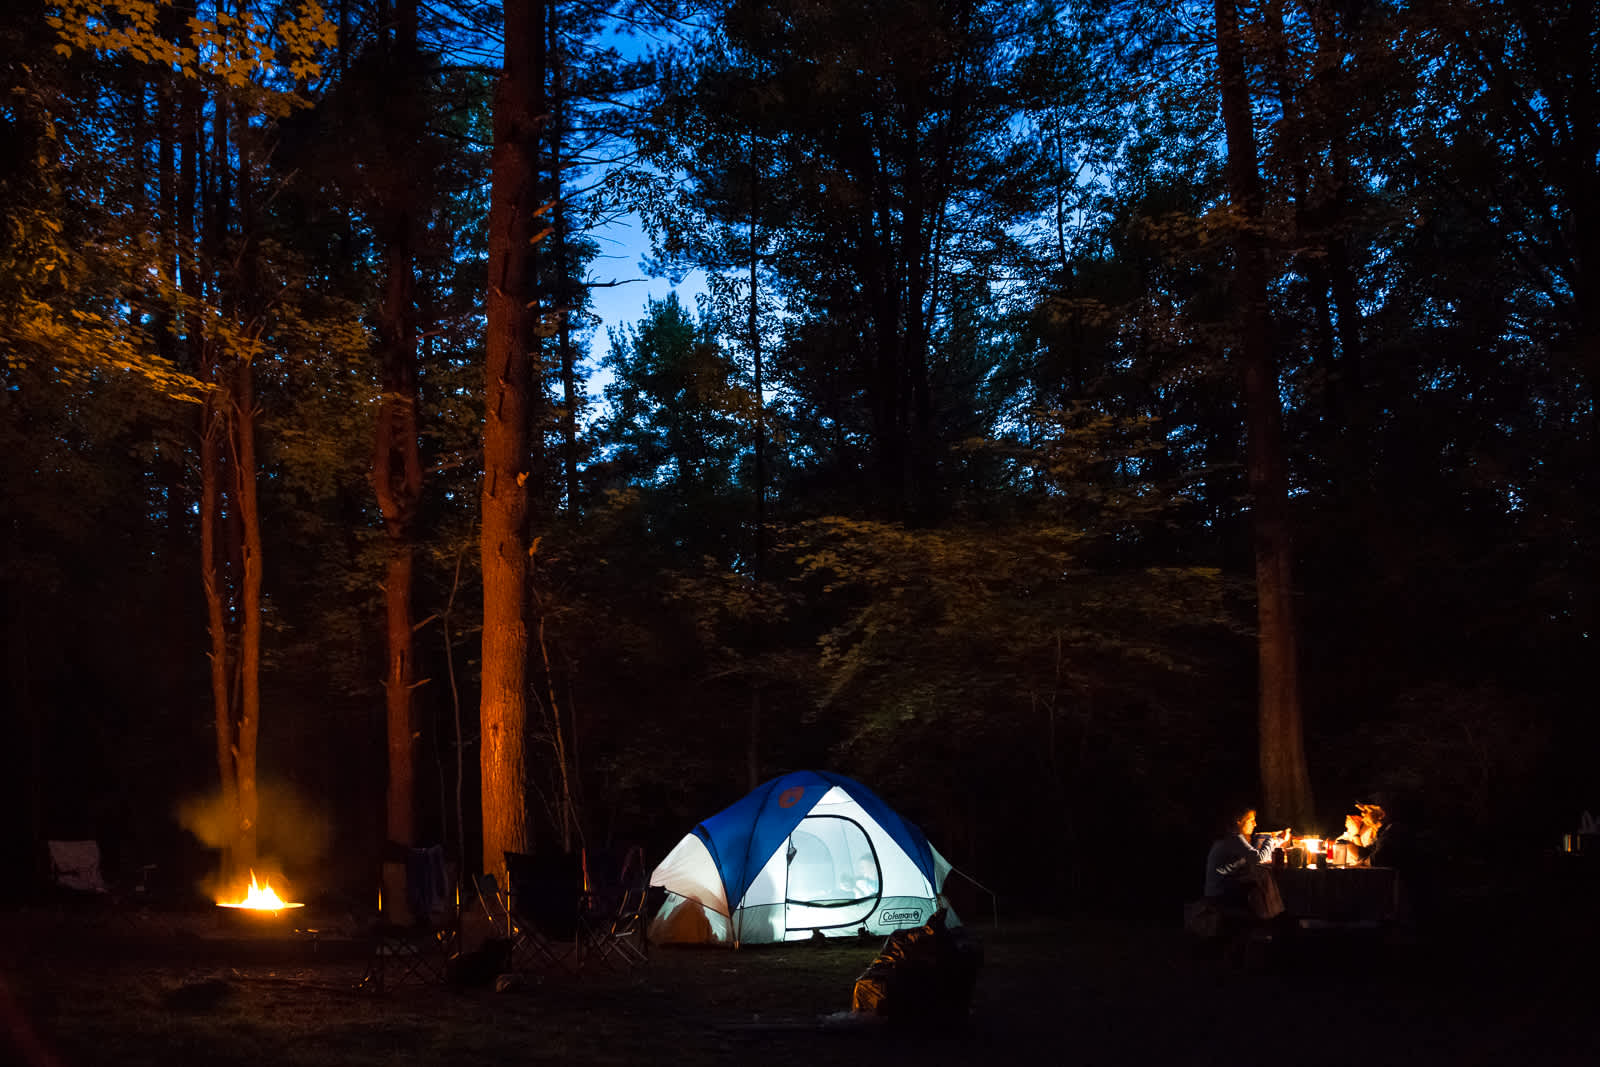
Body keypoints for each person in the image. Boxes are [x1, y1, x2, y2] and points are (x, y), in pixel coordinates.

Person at [1203, 806, 1287, 917]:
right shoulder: (1234, 839)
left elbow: (1252, 855)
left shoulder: (1231, 837)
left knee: (1261, 875)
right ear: (1239, 821)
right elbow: (1259, 857)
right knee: (1263, 877)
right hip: (1219, 893)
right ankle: (1271, 916)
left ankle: (1270, 915)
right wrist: (1271, 839)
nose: (1255, 824)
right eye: (1251, 820)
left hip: (1220, 888)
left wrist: (1277, 839)